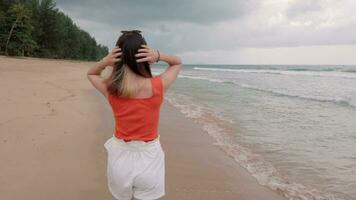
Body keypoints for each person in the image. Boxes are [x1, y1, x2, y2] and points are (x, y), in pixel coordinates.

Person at [86, 30, 182, 200]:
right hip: (149, 157)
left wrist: (105, 62)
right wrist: (158, 55)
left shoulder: (112, 89)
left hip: (121, 157)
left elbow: (91, 74)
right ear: (145, 56)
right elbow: (177, 63)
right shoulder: (158, 86)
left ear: (118, 57)